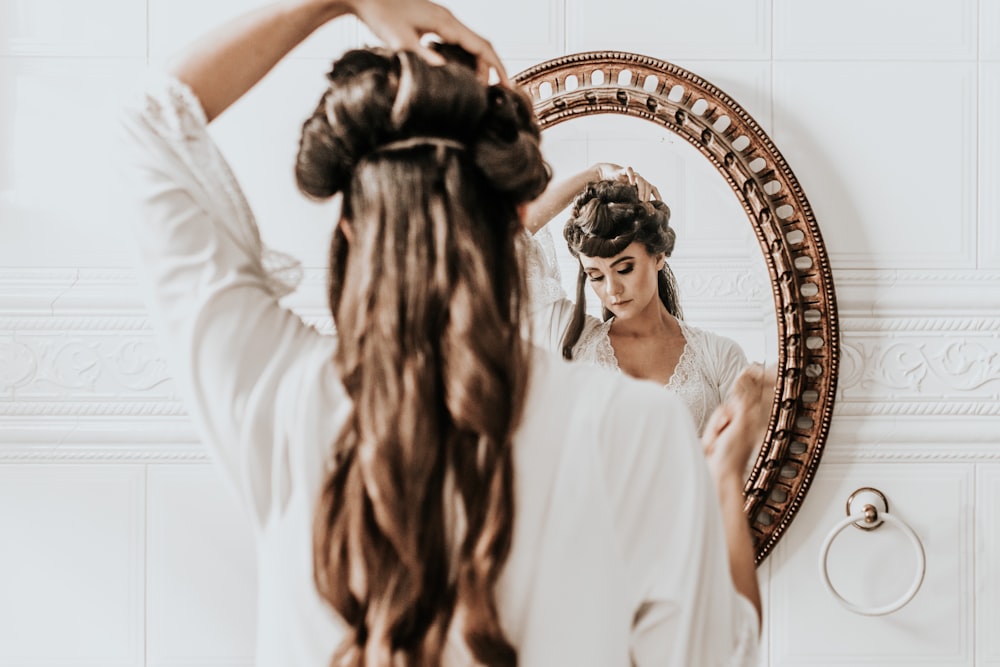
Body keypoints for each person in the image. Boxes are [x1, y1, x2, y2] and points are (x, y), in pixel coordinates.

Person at [117, 0, 763, 664]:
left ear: (349, 231)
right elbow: (719, 656)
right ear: (516, 222)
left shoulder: (282, 394)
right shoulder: (639, 427)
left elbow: (149, 122)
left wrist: (333, 1)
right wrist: (721, 482)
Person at [523, 164, 753, 434]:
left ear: (658, 257)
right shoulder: (571, 340)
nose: (612, 290)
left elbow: (745, 464)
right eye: (595, 276)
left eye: (624, 269)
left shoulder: (720, 356)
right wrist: (596, 174)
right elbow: (504, 237)